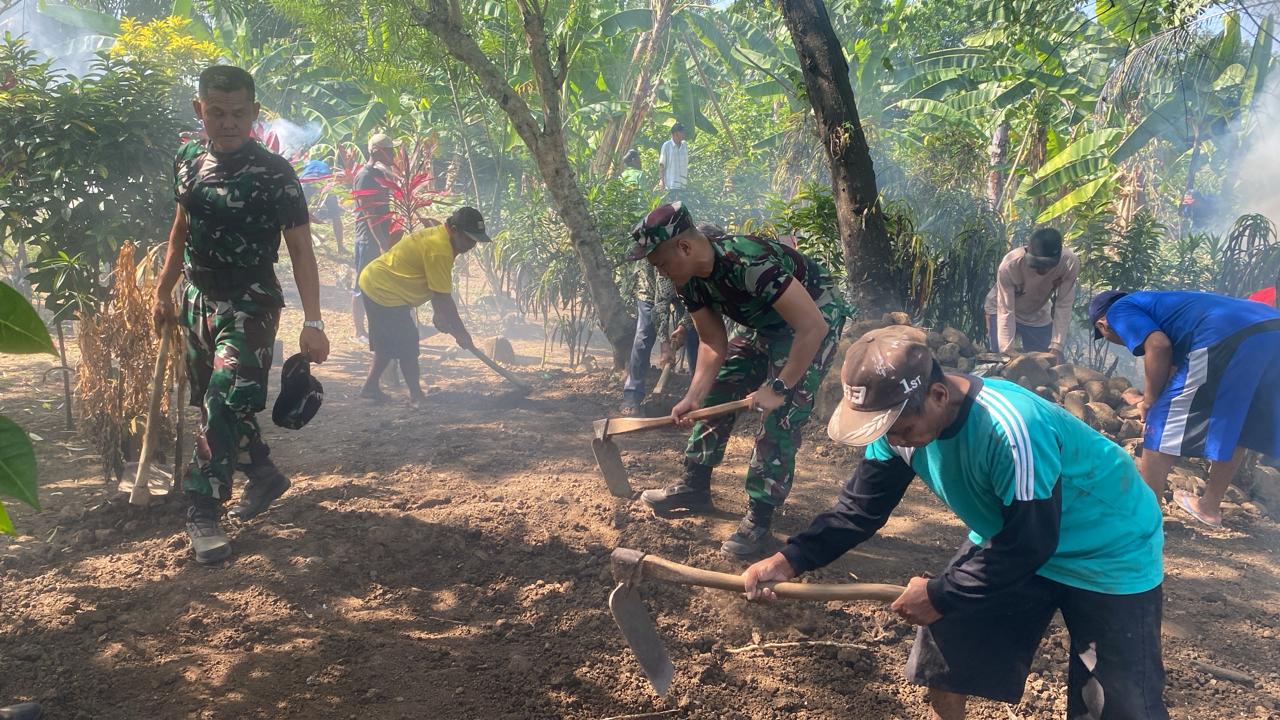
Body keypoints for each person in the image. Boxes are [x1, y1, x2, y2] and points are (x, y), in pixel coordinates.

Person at [744, 327, 1167, 720]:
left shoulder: (1011, 429)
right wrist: (789, 559)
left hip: (1109, 549)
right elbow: (859, 509)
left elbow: (1029, 543)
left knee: (1116, 705)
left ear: (939, 395)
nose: (893, 439)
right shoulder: (895, 429)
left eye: (901, 427)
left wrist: (943, 594)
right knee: (943, 669)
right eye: (884, 429)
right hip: (1009, 535)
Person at [152, 65, 330, 565]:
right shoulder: (187, 159)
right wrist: (164, 291)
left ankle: (203, 507)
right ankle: (265, 475)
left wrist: (313, 322)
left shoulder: (276, 174)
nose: (227, 123)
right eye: (216, 112)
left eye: (237, 113)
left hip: (251, 300)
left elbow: (300, 250)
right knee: (217, 403)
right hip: (197, 298)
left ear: (254, 112)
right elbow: (180, 230)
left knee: (224, 396)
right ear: (199, 111)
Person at [630, 203, 848, 557]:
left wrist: (779, 385)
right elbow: (712, 342)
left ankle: (759, 520)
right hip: (768, 324)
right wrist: (694, 397)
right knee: (721, 385)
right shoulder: (689, 279)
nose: (662, 274)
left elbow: (812, 327)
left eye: (662, 264)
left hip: (813, 319)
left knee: (781, 413)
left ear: (684, 248)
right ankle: (694, 484)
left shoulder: (748, 263)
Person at [1090, 289, 1280, 528]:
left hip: (1226, 334)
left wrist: (1149, 401)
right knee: (1237, 420)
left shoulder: (1119, 310)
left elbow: (1158, 346)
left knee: (1160, 421)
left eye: (1104, 335)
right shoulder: (1167, 307)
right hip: (1272, 329)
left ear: (1103, 324)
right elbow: (1176, 369)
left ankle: (1145, 518)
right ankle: (1209, 507)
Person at [357, 206, 489, 404]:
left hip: (379, 283)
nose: (471, 244)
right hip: (383, 289)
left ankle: (370, 388)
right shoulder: (440, 249)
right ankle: (417, 396)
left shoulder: (442, 237)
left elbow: (436, 289)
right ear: (453, 229)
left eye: (475, 240)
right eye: (468, 238)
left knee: (388, 343)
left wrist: (439, 315)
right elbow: (443, 297)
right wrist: (461, 332)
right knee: (408, 346)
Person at [983, 228, 1078, 359]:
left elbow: (1064, 306)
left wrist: (1057, 346)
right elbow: (1006, 310)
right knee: (1000, 359)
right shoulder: (1010, 266)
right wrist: (1007, 351)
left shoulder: (1068, 263)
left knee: (1049, 361)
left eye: (1048, 264)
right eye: (1037, 264)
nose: (1043, 269)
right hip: (1000, 309)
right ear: (1027, 252)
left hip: (1036, 312)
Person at [620, 263, 697, 415]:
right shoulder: (666, 264)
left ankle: (697, 396)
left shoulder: (700, 269)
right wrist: (665, 344)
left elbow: (698, 304)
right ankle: (632, 396)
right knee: (644, 335)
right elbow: (660, 304)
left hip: (686, 290)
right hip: (650, 288)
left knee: (695, 333)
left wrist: (682, 327)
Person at [350, 133, 398, 344]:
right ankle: (359, 331)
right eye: (390, 150)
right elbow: (370, 213)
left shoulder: (379, 175)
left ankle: (376, 328)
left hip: (380, 237)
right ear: (378, 152)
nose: (394, 154)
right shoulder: (365, 176)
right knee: (362, 284)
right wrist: (382, 243)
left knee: (376, 284)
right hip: (368, 239)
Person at [299, 159, 345, 253]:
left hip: (307, 183)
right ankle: (340, 247)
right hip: (324, 184)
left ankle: (306, 246)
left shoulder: (308, 162)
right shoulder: (326, 165)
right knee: (336, 216)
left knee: (304, 215)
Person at [658, 123, 689, 197]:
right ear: (676, 133)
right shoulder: (667, 145)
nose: (684, 134)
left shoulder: (684, 145)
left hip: (682, 184)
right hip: (671, 185)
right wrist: (661, 181)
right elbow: (662, 164)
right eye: (682, 132)